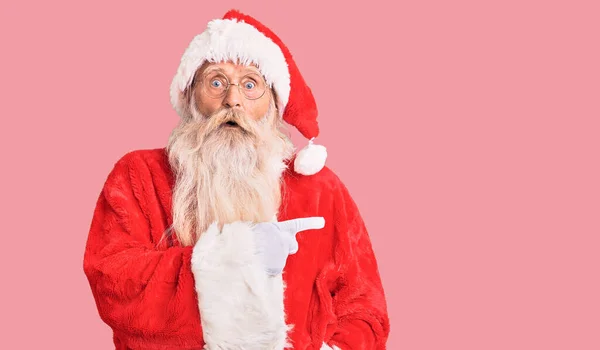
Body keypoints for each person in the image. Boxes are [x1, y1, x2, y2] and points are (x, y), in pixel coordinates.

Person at [83, 9, 390, 350]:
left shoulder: (321, 189)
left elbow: (365, 308)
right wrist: (236, 255)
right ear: (190, 95)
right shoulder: (139, 174)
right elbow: (112, 280)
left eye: (250, 84)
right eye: (216, 81)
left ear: (273, 103)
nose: (233, 99)